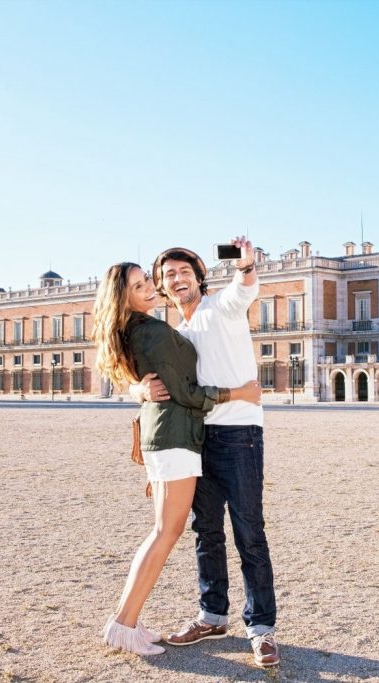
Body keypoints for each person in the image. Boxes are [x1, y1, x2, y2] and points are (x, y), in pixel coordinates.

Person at [92, 262, 261, 657]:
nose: (149, 287)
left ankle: (127, 620)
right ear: (123, 297)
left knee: (165, 532)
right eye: (138, 285)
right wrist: (237, 393)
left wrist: (136, 388)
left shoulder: (143, 328)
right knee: (165, 533)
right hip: (174, 437)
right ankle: (123, 624)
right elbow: (183, 391)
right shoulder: (150, 330)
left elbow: (160, 382)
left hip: (173, 436)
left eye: (147, 280)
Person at [134, 237, 280, 667]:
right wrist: (137, 387)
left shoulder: (222, 306)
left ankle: (261, 629)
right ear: (161, 288)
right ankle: (212, 614)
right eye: (167, 276)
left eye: (184, 272)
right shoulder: (175, 334)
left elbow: (245, 287)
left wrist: (247, 265)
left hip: (239, 434)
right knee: (206, 532)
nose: (177, 279)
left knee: (249, 532)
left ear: (199, 276)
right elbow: (159, 382)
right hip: (196, 438)